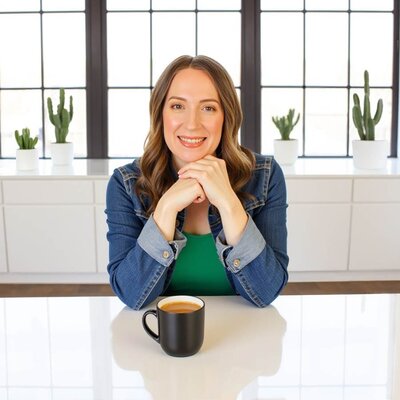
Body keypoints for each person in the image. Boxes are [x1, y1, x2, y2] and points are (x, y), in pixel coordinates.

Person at [106, 55, 289, 310]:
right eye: (178, 106)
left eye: (208, 108)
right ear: (160, 114)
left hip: (242, 335)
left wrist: (228, 203)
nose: (192, 124)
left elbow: (267, 291)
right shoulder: (126, 183)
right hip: (164, 336)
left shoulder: (265, 176)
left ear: (226, 116)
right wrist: (166, 209)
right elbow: (130, 293)